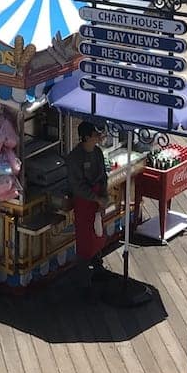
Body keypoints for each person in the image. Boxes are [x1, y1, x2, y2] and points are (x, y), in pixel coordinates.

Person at [66, 120, 112, 282]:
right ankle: (83, 277)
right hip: (84, 203)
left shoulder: (98, 152)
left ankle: (98, 264)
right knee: (86, 239)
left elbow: (103, 177)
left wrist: (104, 196)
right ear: (85, 137)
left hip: (97, 201)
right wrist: (96, 198)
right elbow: (77, 186)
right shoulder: (74, 158)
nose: (98, 137)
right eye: (95, 135)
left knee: (99, 233)